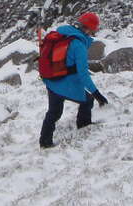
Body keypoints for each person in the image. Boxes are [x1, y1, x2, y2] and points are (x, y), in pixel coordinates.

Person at [39, 12, 108, 148]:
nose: (93, 33)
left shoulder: (62, 33)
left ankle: (45, 142)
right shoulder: (78, 45)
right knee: (88, 100)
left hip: (51, 80)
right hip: (66, 83)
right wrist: (97, 94)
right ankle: (84, 126)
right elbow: (83, 75)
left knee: (53, 112)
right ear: (88, 29)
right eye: (93, 30)